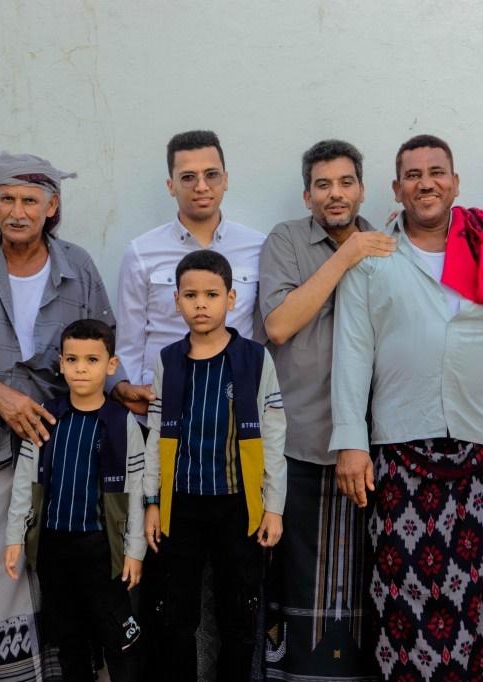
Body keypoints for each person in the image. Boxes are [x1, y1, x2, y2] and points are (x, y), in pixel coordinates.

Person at [330, 134, 483, 681]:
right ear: (396, 188)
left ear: (455, 183)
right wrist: (351, 443)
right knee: (404, 599)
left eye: (437, 173)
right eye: (413, 175)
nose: (425, 183)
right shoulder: (371, 261)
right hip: (401, 454)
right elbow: (352, 353)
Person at [0, 152, 124, 680]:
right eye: (7, 199)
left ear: (51, 206)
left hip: (64, 442)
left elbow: (102, 341)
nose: (18, 211)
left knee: (62, 562)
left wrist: (122, 389)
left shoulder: (77, 264)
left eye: (30, 201)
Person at [258, 138, 394, 680]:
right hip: (301, 439)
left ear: (362, 189)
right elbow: (279, 325)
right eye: (322, 185)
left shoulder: (388, 244)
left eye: (345, 183)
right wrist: (347, 255)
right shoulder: (287, 240)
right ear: (307, 195)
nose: (335, 194)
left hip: (372, 442)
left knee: (366, 579)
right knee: (298, 581)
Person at [142, 250, 286, 682]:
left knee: (238, 614)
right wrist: (152, 502)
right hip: (180, 505)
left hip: (238, 506)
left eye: (211, 294)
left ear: (231, 298)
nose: (200, 304)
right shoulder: (168, 361)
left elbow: (274, 435)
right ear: (177, 301)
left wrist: (273, 506)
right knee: (177, 615)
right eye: (190, 295)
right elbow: (156, 435)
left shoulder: (254, 359)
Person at [4, 319, 145, 681]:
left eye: (92, 360)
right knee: (69, 643)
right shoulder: (46, 417)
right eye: (72, 359)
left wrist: (134, 552)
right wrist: (15, 537)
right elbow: (25, 483)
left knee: (119, 641)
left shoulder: (121, 422)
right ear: (61, 364)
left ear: (111, 365)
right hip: (54, 551)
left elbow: (136, 492)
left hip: (103, 552)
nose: (81, 368)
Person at [116, 129, 266, 407]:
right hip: (162, 400)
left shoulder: (258, 247)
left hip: (234, 401)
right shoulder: (141, 252)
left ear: (226, 180)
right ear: (170, 185)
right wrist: (132, 396)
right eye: (188, 177)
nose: (201, 186)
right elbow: (129, 341)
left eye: (211, 175)